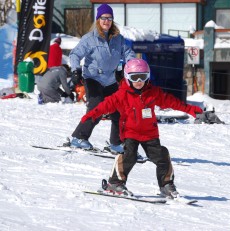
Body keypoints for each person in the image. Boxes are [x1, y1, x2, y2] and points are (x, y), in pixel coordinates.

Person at [80, 58, 203, 198]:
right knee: (129, 156)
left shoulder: (153, 92)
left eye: (143, 77)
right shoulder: (122, 94)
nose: (139, 81)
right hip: (130, 132)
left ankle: (166, 185)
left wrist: (192, 110)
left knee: (162, 156)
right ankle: (115, 183)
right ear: (127, 78)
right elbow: (105, 105)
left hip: (150, 133)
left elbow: (172, 102)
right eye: (135, 77)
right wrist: (91, 116)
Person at [69, 4, 136, 152]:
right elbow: (75, 54)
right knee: (97, 107)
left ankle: (116, 143)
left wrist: (132, 66)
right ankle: (79, 137)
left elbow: (128, 53)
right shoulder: (90, 39)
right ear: (98, 20)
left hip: (110, 80)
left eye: (109, 18)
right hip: (93, 78)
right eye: (104, 18)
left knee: (119, 110)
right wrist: (75, 70)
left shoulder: (118, 39)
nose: (107, 21)